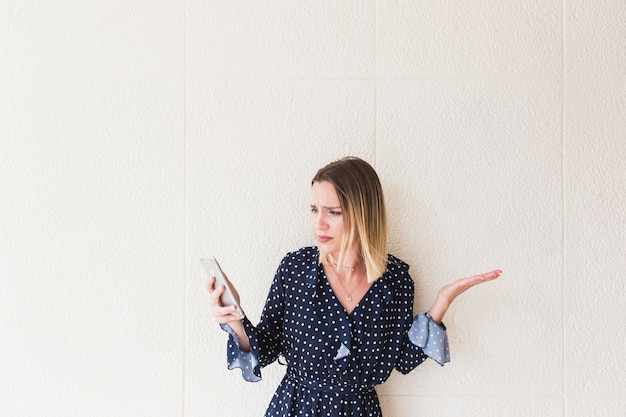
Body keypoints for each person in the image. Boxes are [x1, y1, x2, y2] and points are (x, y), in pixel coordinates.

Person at [207, 156, 501, 417]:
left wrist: (442, 303)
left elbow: (402, 359)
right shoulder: (295, 270)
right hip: (296, 407)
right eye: (314, 209)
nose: (319, 224)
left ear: (362, 213)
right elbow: (266, 348)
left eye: (332, 212)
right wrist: (235, 322)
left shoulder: (395, 281)